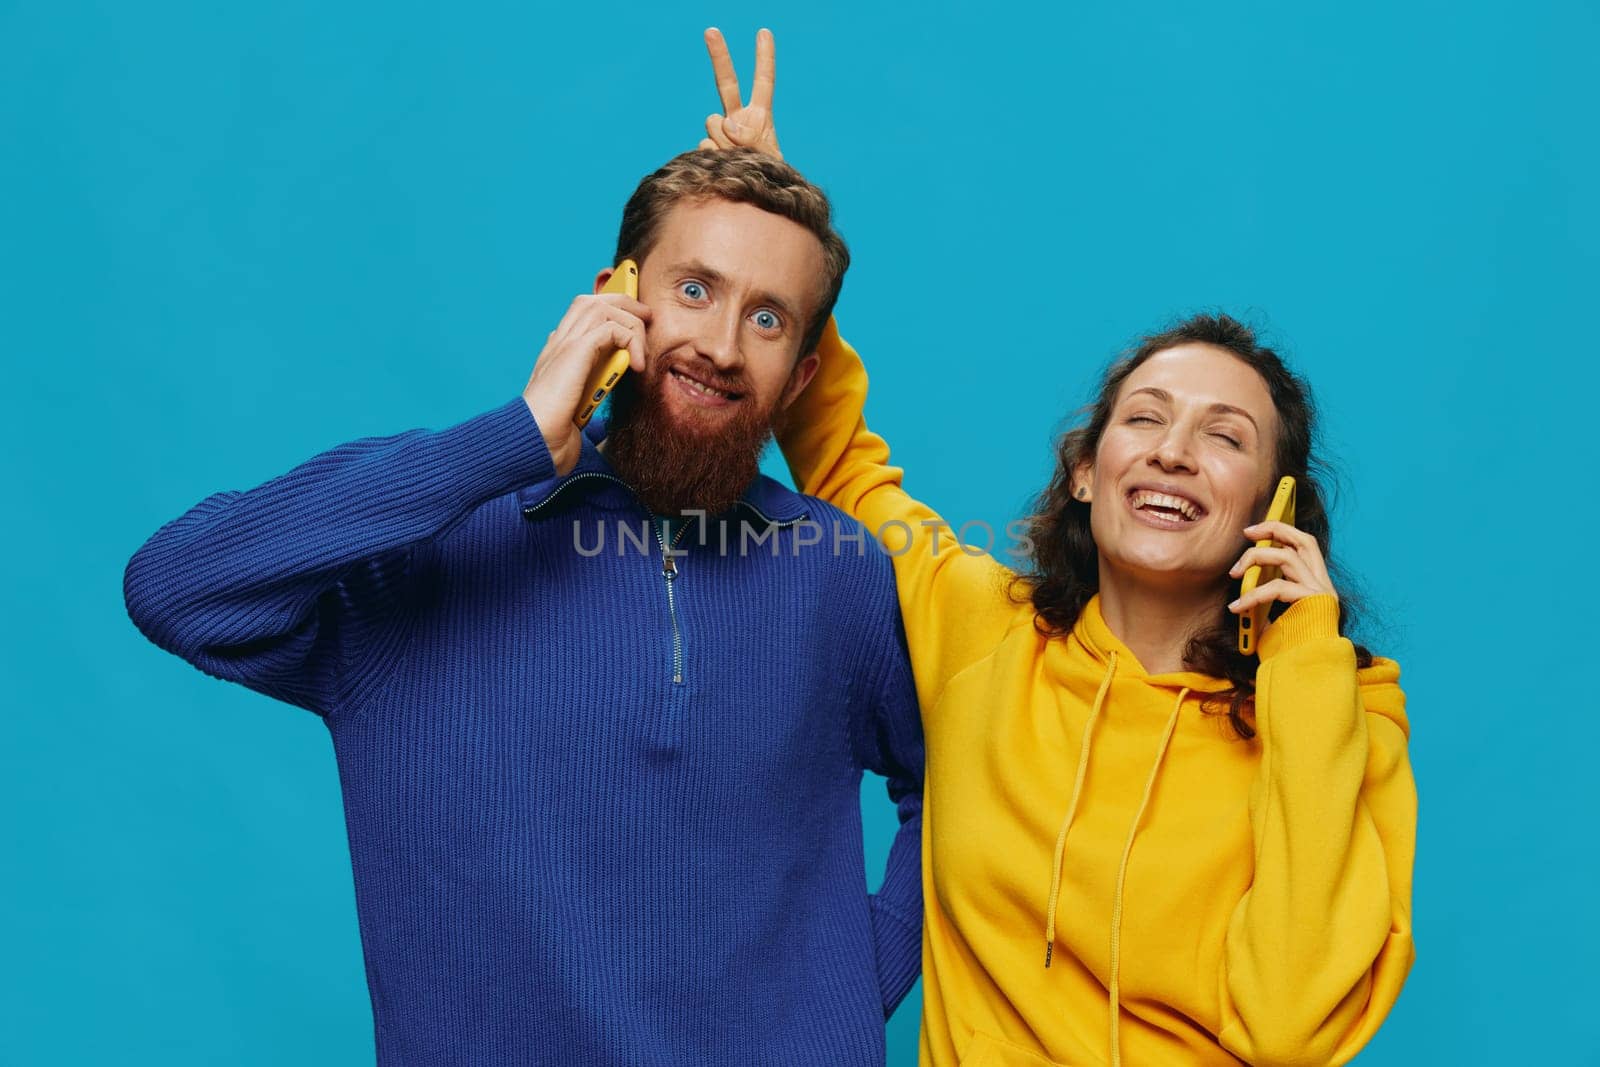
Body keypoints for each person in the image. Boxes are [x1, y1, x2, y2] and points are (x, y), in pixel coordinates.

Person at [698, 28, 1416, 1067]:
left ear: (1275, 506)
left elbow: (1291, 1027)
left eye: (1224, 438)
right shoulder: (981, 629)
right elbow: (845, 464)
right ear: (1085, 469)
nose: (1172, 453)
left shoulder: (1346, 710)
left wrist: (1306, 662)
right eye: (1145, 419)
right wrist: (771, 227)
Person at [124, 144, 924, 1066]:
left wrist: (855, 982)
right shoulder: (436, 538)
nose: (721, 346)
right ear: (614, 298)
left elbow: (945, 783)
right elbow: (176, 585)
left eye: (769, 317)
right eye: (695, 290)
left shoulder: (835, 570)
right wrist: (506, 440)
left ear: (802, 373)